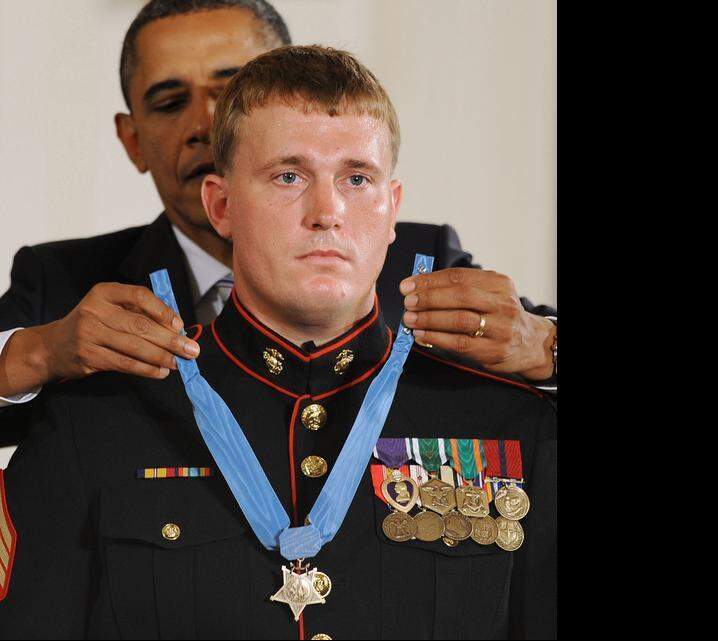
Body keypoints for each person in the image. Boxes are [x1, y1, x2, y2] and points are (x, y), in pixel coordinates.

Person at [0, 45, 555, 638]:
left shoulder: (511, 416)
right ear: (221, 205)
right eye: (289, 176)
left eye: (357, 178)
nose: (327, 211)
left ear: (393, 210)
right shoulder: (96, 418)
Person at [0, 0, 557, 421]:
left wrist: (543, 346)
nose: (207, 125)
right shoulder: (64, 285)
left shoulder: (418, 263)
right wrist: (38, 354)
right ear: (132, 141)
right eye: (170, 102)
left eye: (239, 90)